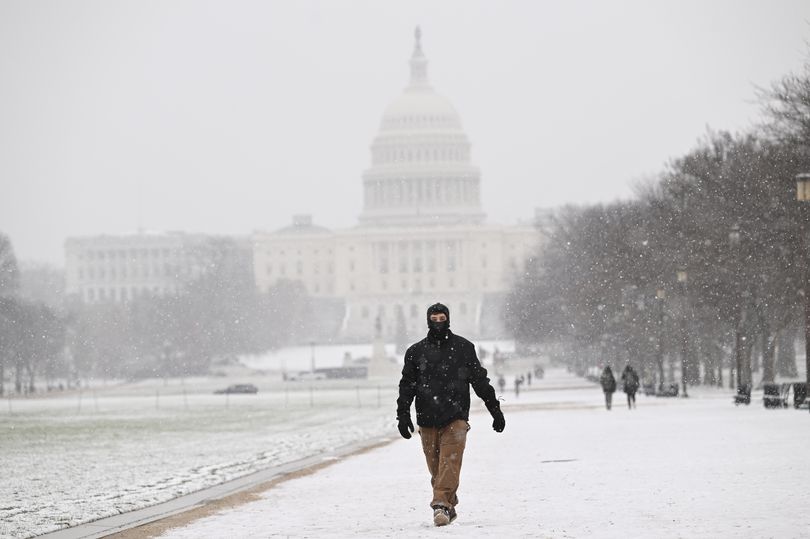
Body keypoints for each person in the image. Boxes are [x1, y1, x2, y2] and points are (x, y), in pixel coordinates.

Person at [397, 303, 505, 527]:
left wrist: (494, 409)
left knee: (450, 463)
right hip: (426, 417)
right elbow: (407, 385)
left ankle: (441, 506)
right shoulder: (416, 352)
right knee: (437, 469)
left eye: (442, 318)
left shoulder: (464, 348)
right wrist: (403, 414)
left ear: (448, 319)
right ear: (428, 321)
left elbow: (479, 380)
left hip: (455, 416)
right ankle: (448, 501)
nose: (438, 323)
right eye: (434, 319)